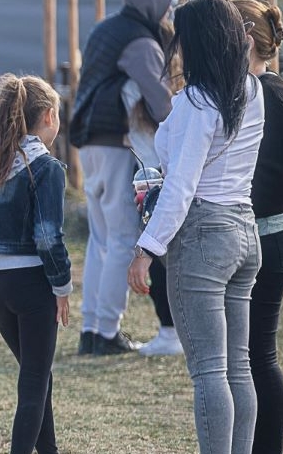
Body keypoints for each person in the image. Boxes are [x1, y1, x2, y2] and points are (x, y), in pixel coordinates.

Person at [128, 0, 265, 454]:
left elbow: (181, 187)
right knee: (237, 367)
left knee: (209, 370)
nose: (177, 49)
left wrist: (147, 249)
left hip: (205, 234)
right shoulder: (252, 89)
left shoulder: (197, 103)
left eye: (182, 40)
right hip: (244, 229)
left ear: (199, 42)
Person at [70, 0, 176, 355]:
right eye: (167, 1)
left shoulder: (105, 27)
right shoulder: (140, 42)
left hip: (88, 142)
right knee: (120, 240)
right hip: (116, 142)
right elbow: (161, 101)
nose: (169, 11)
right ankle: (107, 333)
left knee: (100, 239)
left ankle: (91, 328)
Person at [0, 73, 72, 454]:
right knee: (33, 381)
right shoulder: (46, 169)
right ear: (49, 117)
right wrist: (62, 286)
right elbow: (48, 237)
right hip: (32, 284)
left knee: (36, 375)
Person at [232, 0, 283, 454]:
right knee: (251, 355)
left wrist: (236, 199)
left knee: (259, 354)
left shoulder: (272, 96)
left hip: (272, 234)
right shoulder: (256, 91)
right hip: (262, 231)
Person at [122, 79, 183, 357]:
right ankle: (171, 329)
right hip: (159, 181)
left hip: (154, 183)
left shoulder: (133, 93)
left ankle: (170, 329)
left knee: (159, 257)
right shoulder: (171, 101)